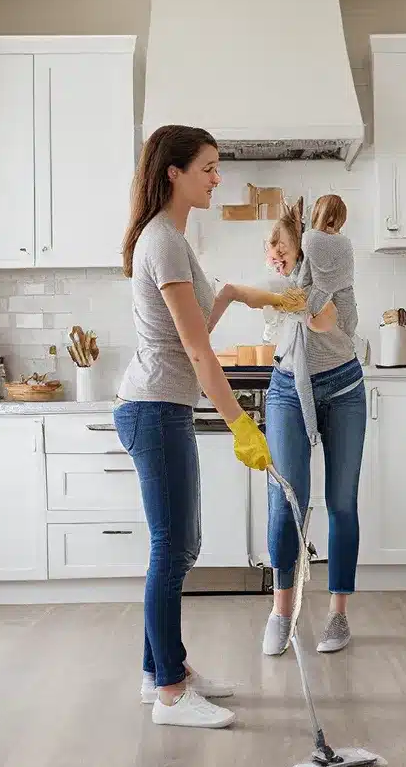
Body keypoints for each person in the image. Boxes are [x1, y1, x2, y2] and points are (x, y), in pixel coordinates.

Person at [114, 125, 294, 730]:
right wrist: (242, 423)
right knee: (173, 549)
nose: (218, 178)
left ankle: (162, 672)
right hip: (154, 406)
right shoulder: (162, 241)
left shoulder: (170, 239)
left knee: (180, 545)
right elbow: (196, 352)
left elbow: (192, 329)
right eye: (209, 168)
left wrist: (237, 293)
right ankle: (170, 693)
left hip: (162, 405)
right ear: (175, 172)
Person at [212, 195, 365, 656]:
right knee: (285, 500)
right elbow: (278, 299)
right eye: (268, 246)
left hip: (342, 388)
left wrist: (244, 292)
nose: (273, 253)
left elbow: (318, 318)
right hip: (285, 388)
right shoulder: (283, 284)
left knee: (341, 502)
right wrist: (239, 292)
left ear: (306, 246)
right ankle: (281, 612)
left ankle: (337, 615)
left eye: (280, 244)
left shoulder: (331, 282)